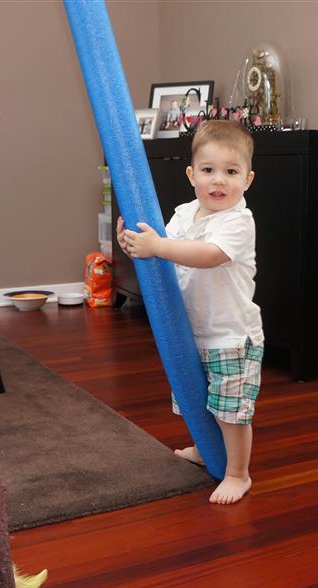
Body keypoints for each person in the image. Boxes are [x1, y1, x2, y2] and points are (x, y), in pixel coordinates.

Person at [116, 120, 264, 504]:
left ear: (247, 179)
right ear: (191, 175)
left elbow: (208, 255)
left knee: (230, 411)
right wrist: (135, 243)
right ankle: (205, 448)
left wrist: (158, 246)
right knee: (199, 401)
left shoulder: (238, 222)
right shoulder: (185, 214)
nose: (219, 181)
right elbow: (161, 248)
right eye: (208, 170)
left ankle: (238, 473)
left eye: (231, 172)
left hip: (231, 337)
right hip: (193, 331)